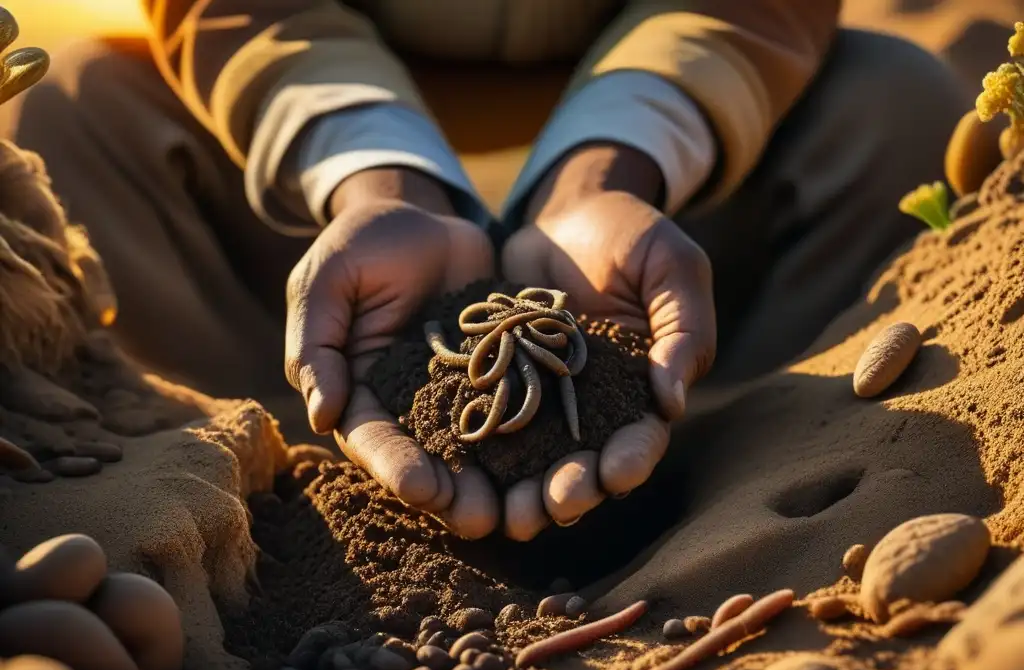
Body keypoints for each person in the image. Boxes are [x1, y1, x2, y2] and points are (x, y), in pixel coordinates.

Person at [1, 1, 969, 541]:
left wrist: (604, 171)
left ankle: (728, 463)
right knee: (79, 109)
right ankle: (288, 486)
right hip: (319, 138)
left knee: (897, 99)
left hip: (678, 138)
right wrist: (381, 182)